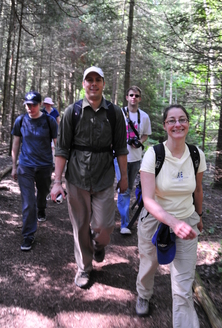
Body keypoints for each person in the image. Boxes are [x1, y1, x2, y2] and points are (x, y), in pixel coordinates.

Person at [50, 66, 128, 289]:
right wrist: (57, 181)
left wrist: (124, 178)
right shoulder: (71, 112)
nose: (93, 83)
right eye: (89, 80)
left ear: (103, 83)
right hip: (76, 177)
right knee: (81, 225)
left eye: (97, 80)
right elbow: (62, 148)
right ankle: (84, 268)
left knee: (104, 225)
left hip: (104, 176)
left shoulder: (114, 113)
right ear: (83, 84)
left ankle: (99, 245)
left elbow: (121, 148)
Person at [135, 104, 207, 327]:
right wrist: (173, 222)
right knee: (149, 265)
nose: (178, 124)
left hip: (187, 221)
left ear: (188, 123)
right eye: (172, 121)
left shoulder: (196, 154)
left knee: (183, 287)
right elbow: (148, 200)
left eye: (182, 119)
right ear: (165, 125)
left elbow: (198, 190)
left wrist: (199, 215)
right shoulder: (153, 154)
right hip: (155, 222)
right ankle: (143, 294)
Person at [11, 91, 58, 251]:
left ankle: (42, 207)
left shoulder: (49, 121)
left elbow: (57, 145)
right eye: (28, 105)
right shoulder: (21, 120)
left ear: (40, 105)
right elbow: (16, 143)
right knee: (28, 203)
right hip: (26, 166)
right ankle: (28, 235)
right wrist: (14, 166)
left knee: (42, 192)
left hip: (45, 165)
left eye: (34, 105)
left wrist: (59, 169)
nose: (30, 108)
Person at [115, 86, 151, 235]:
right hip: (120, 157)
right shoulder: (119, 114)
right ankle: (125, 224)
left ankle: (123, 211)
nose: (134, 98)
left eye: (136, 95)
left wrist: (139, 142)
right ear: (127, 97)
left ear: (140, 98)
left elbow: (146, 135)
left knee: (129, 187)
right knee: (124, 189)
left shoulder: (144, 117)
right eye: (131, 95)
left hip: (136, 158)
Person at [42, 97, 60, 165]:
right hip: (45, 132)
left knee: (54, 147)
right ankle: (45, 160)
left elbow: (58, 121)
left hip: (54, 131)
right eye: (46, 103)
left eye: (49, 103)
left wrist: (59, 130)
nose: (47, 105)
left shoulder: (55, 111)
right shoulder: (42, 112)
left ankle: (53, 162)